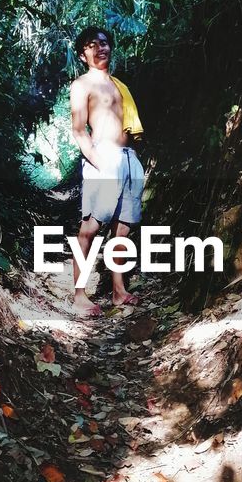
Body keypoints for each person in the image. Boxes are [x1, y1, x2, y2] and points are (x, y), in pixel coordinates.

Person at [69, 26, 145, 316]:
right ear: (82, 54)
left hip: (128, 159)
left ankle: (118, 291)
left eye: (103, 43)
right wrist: (97, 161)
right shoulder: (82, 84)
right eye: (92, 45)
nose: (100, 48)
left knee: (122, 230)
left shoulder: (118, 84)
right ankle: (79, 295)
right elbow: (78, 131)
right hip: (104, 157)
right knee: (90, 227)